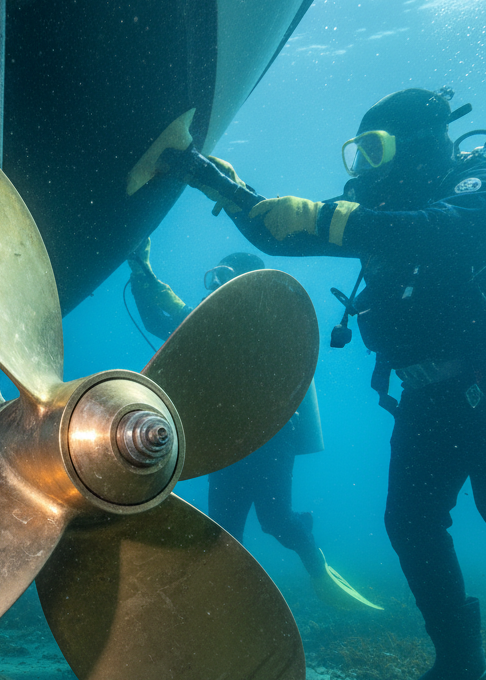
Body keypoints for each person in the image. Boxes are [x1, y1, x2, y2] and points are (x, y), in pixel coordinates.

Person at [182, 87, 486, 680]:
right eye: (358, 152)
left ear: (419, 142)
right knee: (411, 522)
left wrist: (326, 217)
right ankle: (461, 672)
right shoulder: (377, 206)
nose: (363, 167)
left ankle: (461, 669)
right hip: (426, 393)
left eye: (375, 148)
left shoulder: (481, 183)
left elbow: (448, 229)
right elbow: (286, 235)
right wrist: (216, 184)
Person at [127, 243, 379, 613]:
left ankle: (313, 559)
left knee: (275, 520)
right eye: (216, 277)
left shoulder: (272, 318)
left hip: (273, 436)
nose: (217, 285)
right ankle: (225, 605)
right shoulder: (207, 322)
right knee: (224, 531)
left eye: (227, 278)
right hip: (225, 434)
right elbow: (158, 321)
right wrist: (140, 276)